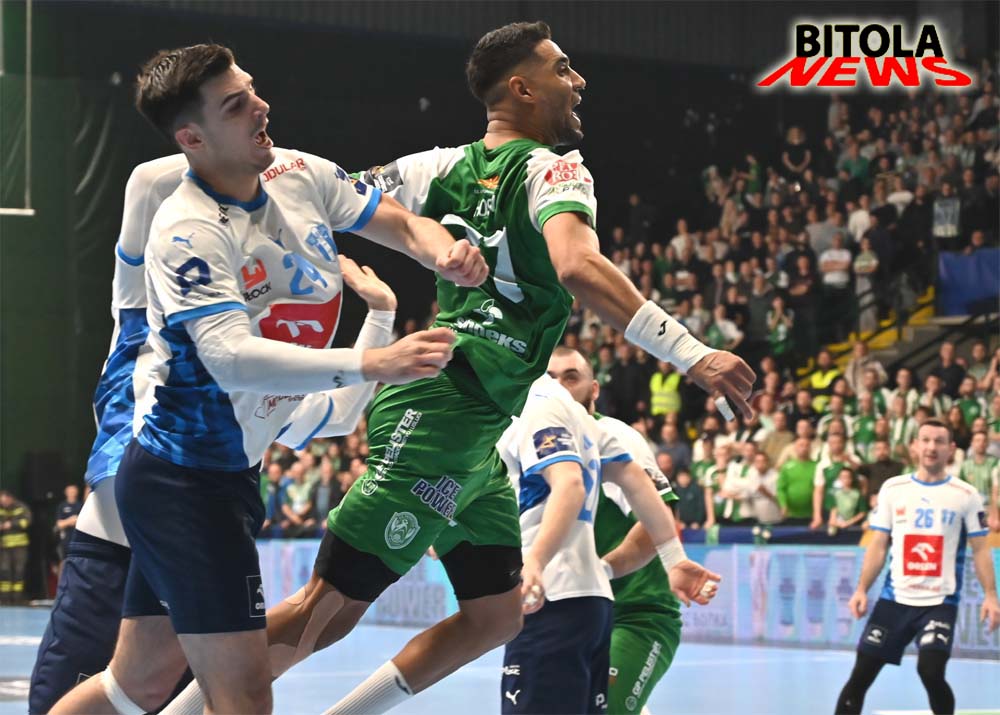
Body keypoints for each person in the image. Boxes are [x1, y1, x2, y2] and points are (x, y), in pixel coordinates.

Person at [163, 22, 754, 715]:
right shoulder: (555, 169)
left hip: (478, 426)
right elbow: (576, 265)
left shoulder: (434, 167)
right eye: (563, 69)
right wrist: (692, 353)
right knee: (329, 607)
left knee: (496, 615)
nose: (578, 81)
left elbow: (337, 191)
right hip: (444, 411)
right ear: (521, 88)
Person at [48, 42, 484, 715]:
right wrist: (373, 361)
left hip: (229, 475)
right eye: (235, 105)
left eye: (251, 89)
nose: (261, 106)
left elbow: (396, 221)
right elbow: (228, 355)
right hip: (183, 481)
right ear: (192, 139)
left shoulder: (301, 173)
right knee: (245, 694)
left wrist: (442, 252)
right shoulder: (187, 232)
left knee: (136, 686)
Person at [498, 349, 718, 714]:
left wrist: (549, 563)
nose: (560, 386)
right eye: (552, 376)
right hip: (588, 603)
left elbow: (586, 488)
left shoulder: (567, 419)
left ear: (594, 389)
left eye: (571, 377)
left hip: (628, 609)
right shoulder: (574, 427)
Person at [834, 419, 999, 715]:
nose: (931, 447)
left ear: (951, 449)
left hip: (940, 602)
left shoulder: (966, 495)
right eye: (925, 440)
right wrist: (861, 589)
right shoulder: (893, 489)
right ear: (914, 446)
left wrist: (990, 595)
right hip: (894, 600)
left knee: (930, 671)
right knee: (860, 677)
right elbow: (878, 545)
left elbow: (980, 549)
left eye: (939, 441)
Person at [0, 490, 32, 604]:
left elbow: (26, 522)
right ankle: (4, 599)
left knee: (19, 571)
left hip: (20, 546)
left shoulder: (21, 507)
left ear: (10, 498)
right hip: (4, 546)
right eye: (1, 501)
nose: (3, 503)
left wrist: (11, 524)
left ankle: (17, 598)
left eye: (5, 501)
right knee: (4, 571)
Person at [54, 484, 83, 575]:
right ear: (66, 493)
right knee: (63, 563)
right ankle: (61, 583)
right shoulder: (62, 506)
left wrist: (76, 520)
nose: (71, 493)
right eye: (69, 491)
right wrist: (70, 520)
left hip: (78, 540)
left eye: (73, 491)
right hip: (65, 541)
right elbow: (59, 524)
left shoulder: (81, 505)